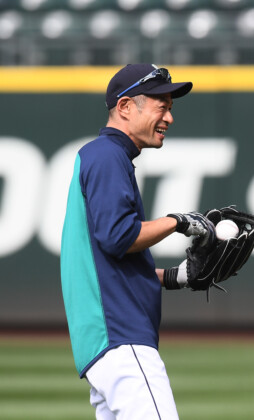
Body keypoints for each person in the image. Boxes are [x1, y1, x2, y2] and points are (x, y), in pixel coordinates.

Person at [60, 63, 216, 419]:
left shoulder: (103, 157)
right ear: (127, 106)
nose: (169, 118)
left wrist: (174, 277)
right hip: (121, 338)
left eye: (170, 108)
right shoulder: (106, 156)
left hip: (105, 344)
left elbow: (108, 263)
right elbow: (119, 238)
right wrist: (177, 222)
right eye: (161, 106)